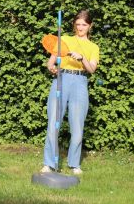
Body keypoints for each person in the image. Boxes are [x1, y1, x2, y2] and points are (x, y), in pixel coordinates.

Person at [41, 10, 99, 175]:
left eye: (84, 25)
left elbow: (92, 69)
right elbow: (50, 63)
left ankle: (74, 164)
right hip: (61, 79)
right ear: (74, 24)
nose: (80, 28)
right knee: (53, 122)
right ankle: (49, 163)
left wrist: (82, 58)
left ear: (90, 26)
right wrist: (52, 68)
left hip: (80, 82)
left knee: (77, 126)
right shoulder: (64, 39)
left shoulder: (93, 47)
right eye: (78, 24)